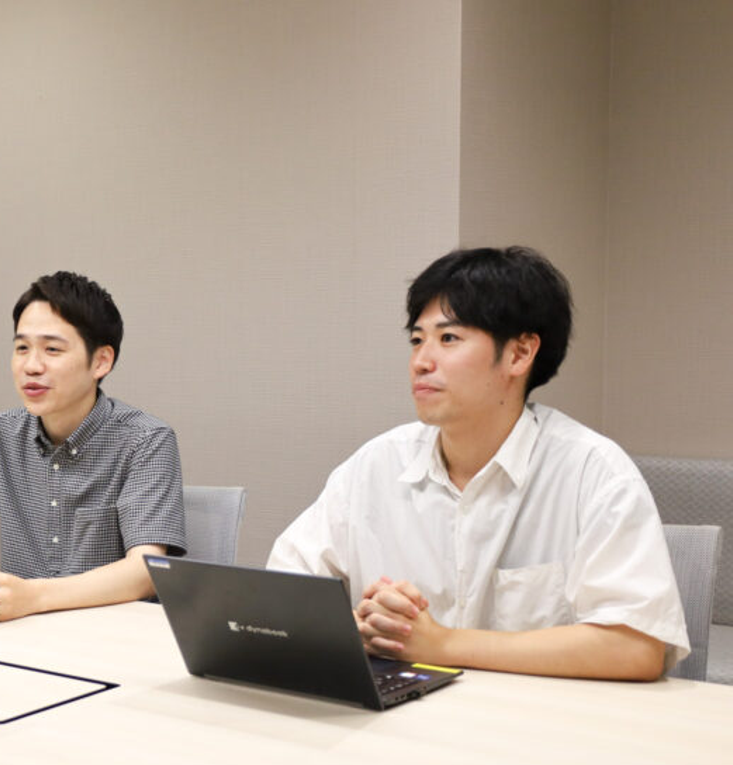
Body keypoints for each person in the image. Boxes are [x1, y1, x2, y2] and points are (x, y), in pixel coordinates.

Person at [268, 246, 688, 680]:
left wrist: (444, 644)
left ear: (519, 354)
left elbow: (636, 647)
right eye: (417, 340)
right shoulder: (376, 464)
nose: (421, 362)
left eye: (448, 338)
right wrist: (352, 628)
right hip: (402, 708)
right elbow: (281, 590)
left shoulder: (593, 471)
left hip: (535, 716)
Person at [0, 271, 186, 625]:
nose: (31, 366)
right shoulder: (1, 433)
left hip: (107, 633)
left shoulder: (145, 440)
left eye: (52, 349)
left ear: (101, 361)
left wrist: (33, 597)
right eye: (22, 348)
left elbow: (145, 570)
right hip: (20, 632)